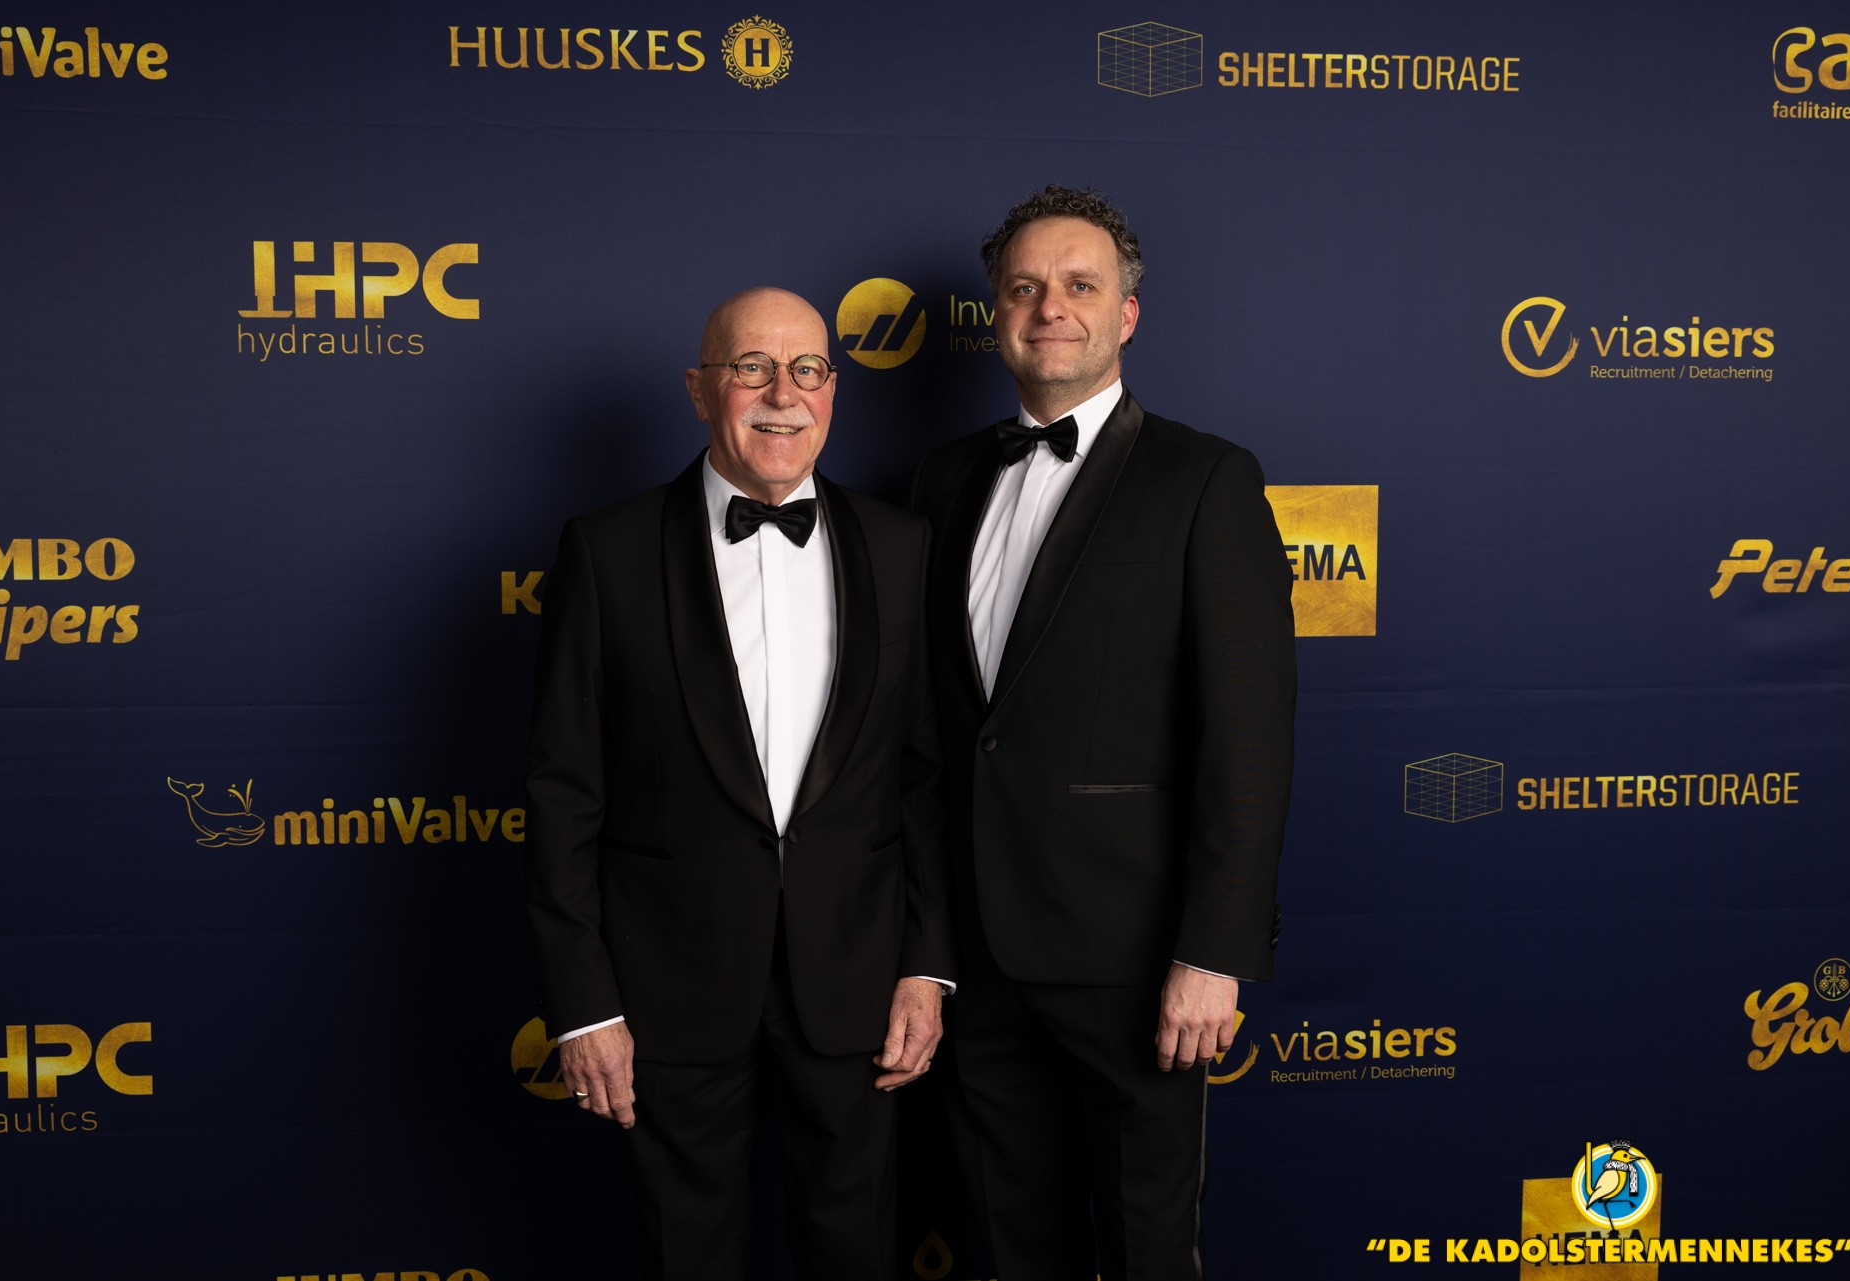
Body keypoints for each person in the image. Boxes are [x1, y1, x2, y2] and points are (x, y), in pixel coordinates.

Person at [524, 287, 955, 1281]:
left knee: (854, 1254)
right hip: (667, 987)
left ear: (833, 390)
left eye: (807, 369)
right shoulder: (607, 550)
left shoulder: (902, 547)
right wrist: (584, 1005)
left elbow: (924, 778)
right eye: (750, 367)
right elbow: (561, 796)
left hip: (856, 980)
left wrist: (928, 966)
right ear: (698, 388)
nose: (782, 394)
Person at [910, 186, 1297, 1279]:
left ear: (1126, 314)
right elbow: (931, 731)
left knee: (1145, 1248)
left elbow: (1250, 735)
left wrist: (1213, 952)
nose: (1051, 308)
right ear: (996, 313)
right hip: (977, 958)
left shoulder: (1207, 479)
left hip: (1136, 962)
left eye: (1080, 285)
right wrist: (924, 951)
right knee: (1007, 1244)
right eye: (1025, 287)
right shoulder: (940, 479)